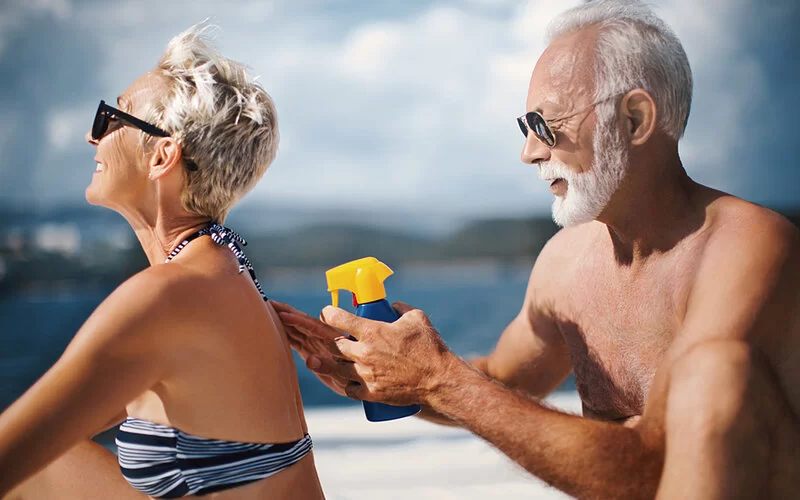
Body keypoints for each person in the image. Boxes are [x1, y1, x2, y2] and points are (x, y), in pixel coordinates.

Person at [274, 1, 800, 498]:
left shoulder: (747, 250)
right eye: (526, 128)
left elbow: (660, 470)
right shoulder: (565, 262)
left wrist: (436, 378)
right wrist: (384, 373)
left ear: (635, 121)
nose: (529, 153)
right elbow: (502, 383)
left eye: (545, 125)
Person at [2, 25, 324, 499]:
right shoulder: (220, 268)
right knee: (49, 462)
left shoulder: (167, 295)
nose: (93, 138)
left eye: (111, 118)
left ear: (161, 157)